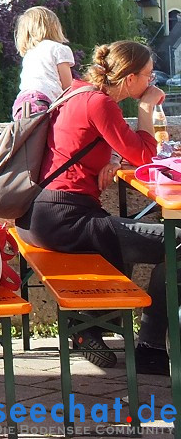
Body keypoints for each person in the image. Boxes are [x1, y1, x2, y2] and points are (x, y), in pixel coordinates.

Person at [19, 40, 168, 374]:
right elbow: (145, 156)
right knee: (176, 244)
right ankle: (149, 345)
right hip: (64, 217)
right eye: (147, 75)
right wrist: (145, 110)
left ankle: (96, 328)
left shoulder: (79, 93)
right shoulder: (99, 103)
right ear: (129, 79)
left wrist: (113, 157)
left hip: (44, 214)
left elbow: (104, 143)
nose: (151, 81)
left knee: (131, 242)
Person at [12, 6, 74, 119]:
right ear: (54, 27)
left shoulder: (29, 53)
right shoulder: (58, 49)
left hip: (22, 101)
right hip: (44, 100)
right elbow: (68, 87)